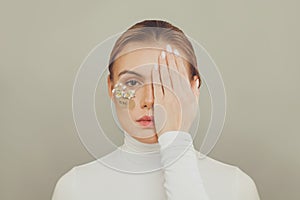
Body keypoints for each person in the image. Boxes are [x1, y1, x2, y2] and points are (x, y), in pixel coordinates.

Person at [51, 20, 261, 200]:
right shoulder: (75, 188)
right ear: (111, 87)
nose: (150, 100)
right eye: (132, 82)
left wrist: (175, 140)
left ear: (193, 88)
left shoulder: (236, 187)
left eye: (166, 83)